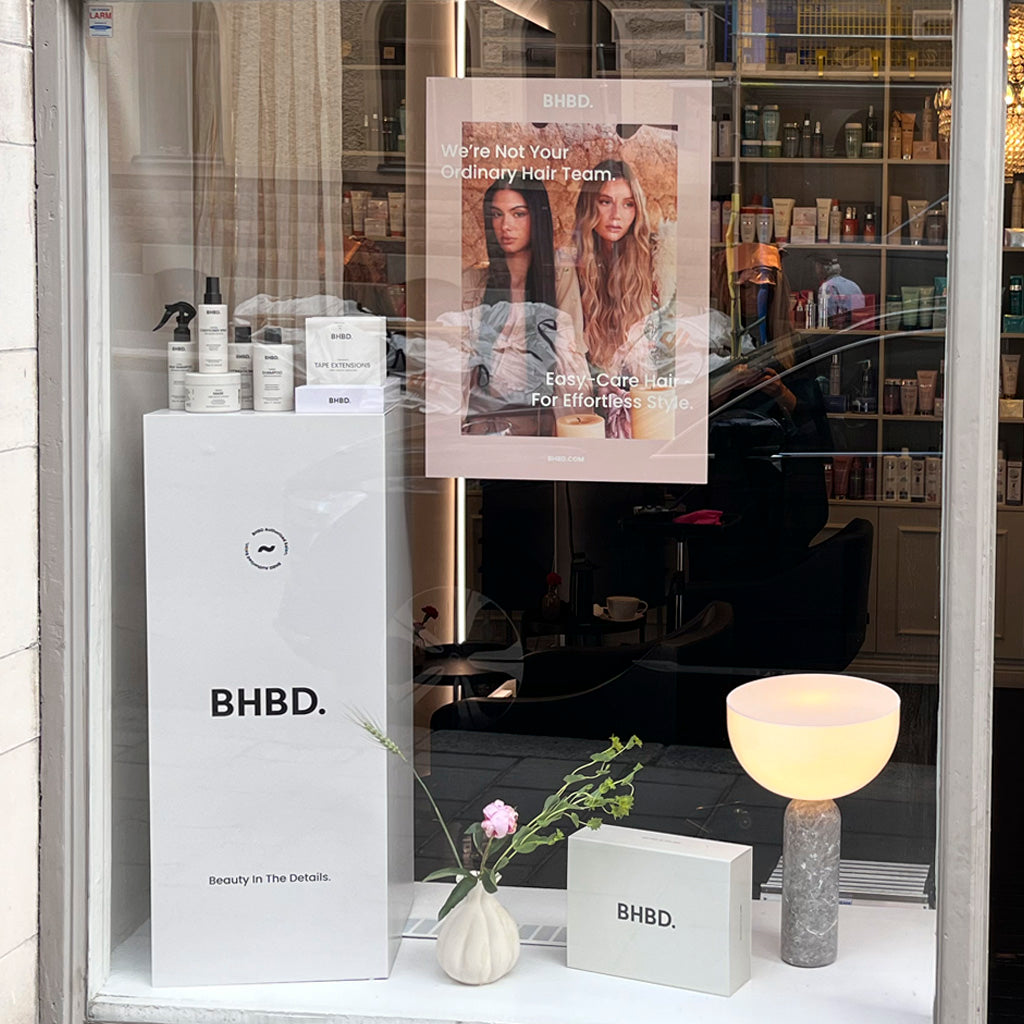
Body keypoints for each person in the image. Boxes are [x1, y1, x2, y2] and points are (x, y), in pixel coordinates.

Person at [452, 174, 590, 434]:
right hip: (481, 432)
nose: (506, 226)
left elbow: (572, 368)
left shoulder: (559, 278)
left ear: (536, 218)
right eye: (497, 214)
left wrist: (577, 444)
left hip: (540, 432)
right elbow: (457, 367)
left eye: (518, 214)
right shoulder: (474, 283)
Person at [572, 159, 666, 437]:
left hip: (647, 413)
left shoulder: (656, 265)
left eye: (628, 204)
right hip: (588, 415)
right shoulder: (570, 269)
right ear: (590, 207)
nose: (616, 215)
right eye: (605, 202)